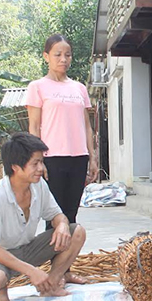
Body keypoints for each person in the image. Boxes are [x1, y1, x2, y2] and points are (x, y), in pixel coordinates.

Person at [0, 132, 87, 301]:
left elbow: (57, 215)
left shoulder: (39, 185)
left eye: (41, 162)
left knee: (77, 232)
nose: (41, 169)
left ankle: (51, 284)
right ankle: (1, 290)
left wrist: (63, 225)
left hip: (27, 249)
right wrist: (32, 272)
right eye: (35, 164)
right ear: (16, 167)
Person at [26, 34, 97, 225]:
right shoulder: (37, 87)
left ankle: (68, 255)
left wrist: (92, 156)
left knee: (71, 215)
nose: (63, 59)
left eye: (68, 55)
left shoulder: (79, 88)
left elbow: (87, 126)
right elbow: (33, 126)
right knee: (54, 217)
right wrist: (38, 160)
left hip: (79, 158)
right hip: (52, 159)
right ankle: (52, 254)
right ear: (46, 56)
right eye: (57, 54)